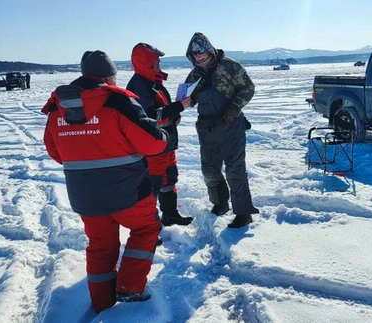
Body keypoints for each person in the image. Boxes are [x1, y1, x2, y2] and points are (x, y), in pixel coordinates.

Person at [42, 50, 185, 313]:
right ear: (109, 76)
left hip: (85, 195)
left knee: (100, 246)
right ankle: (130, 287)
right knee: (146, 229)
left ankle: (101, 302)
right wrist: (165, 136)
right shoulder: (117, 101)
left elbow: (55, 152)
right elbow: (151, 142)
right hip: (127, 191)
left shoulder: (57, 106)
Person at [184, 32, 258, 228]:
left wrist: (232, 109)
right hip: (207, 129)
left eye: (201, 52)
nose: (198, 57)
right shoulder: (194, 75)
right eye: (194, 54)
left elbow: (248, 88)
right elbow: (189, 98)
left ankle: (243, 213)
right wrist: (187, 101)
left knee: (235, 170)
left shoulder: (230, 66)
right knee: (209, 170)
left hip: (231, 126)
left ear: (209, 49)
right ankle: (220, 203)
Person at [127, 43, 193, 226]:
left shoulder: (152, 83)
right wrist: (179, 106)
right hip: (153, 147)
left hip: (165, 143)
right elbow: (149, 118)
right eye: (157, 61)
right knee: (152, 186)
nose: (160, 64)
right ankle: (147, 227)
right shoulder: (140, 86)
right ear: (147, 63)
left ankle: (170, 215)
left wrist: (174, 116)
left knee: (170, 177)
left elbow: (162, 111)